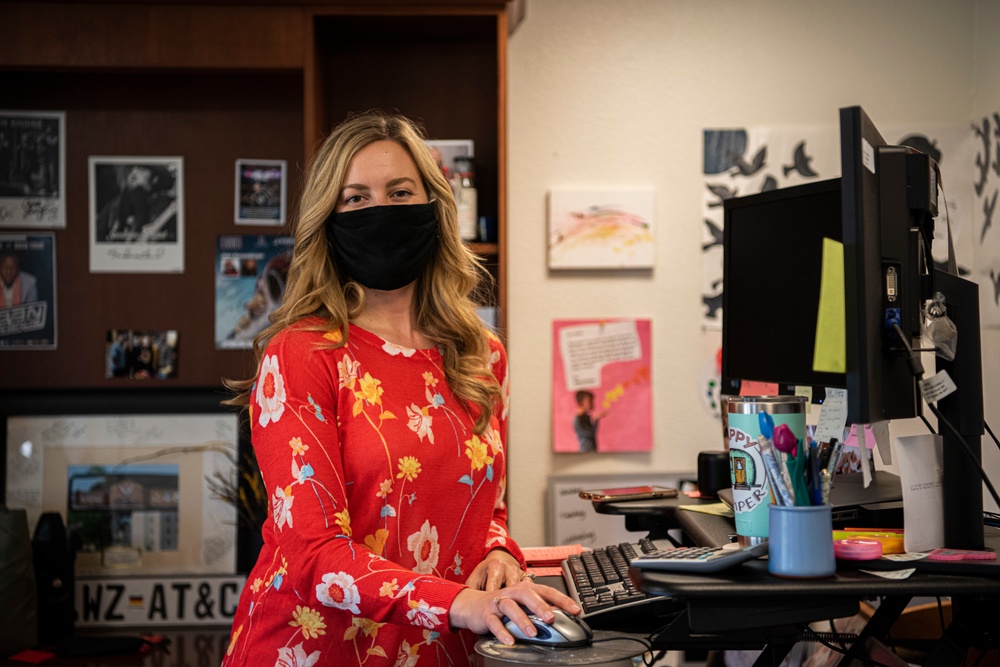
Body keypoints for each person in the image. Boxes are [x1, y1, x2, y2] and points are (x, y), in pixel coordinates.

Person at [222, 111, 580, 667]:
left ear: (435, 208)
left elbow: (489, 509)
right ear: (328, 220)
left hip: (445, 649)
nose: (381, 211)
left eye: (400, 192)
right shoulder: (301, 354)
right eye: (356, 199)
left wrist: (500, 554)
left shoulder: (482, 356)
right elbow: (313, 554)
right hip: (315, 649)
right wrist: (460, 601)